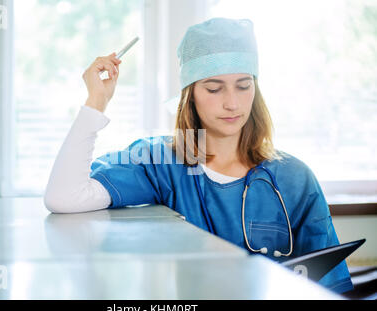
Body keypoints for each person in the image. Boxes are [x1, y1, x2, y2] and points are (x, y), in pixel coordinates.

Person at [43, 17, 353, 294]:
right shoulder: (158, 160)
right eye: (214, 89)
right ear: (189, 94)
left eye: (243, 86)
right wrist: (96, 100)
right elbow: (64, 197)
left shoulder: (294, 177)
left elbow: (331, 285)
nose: (232, 103)